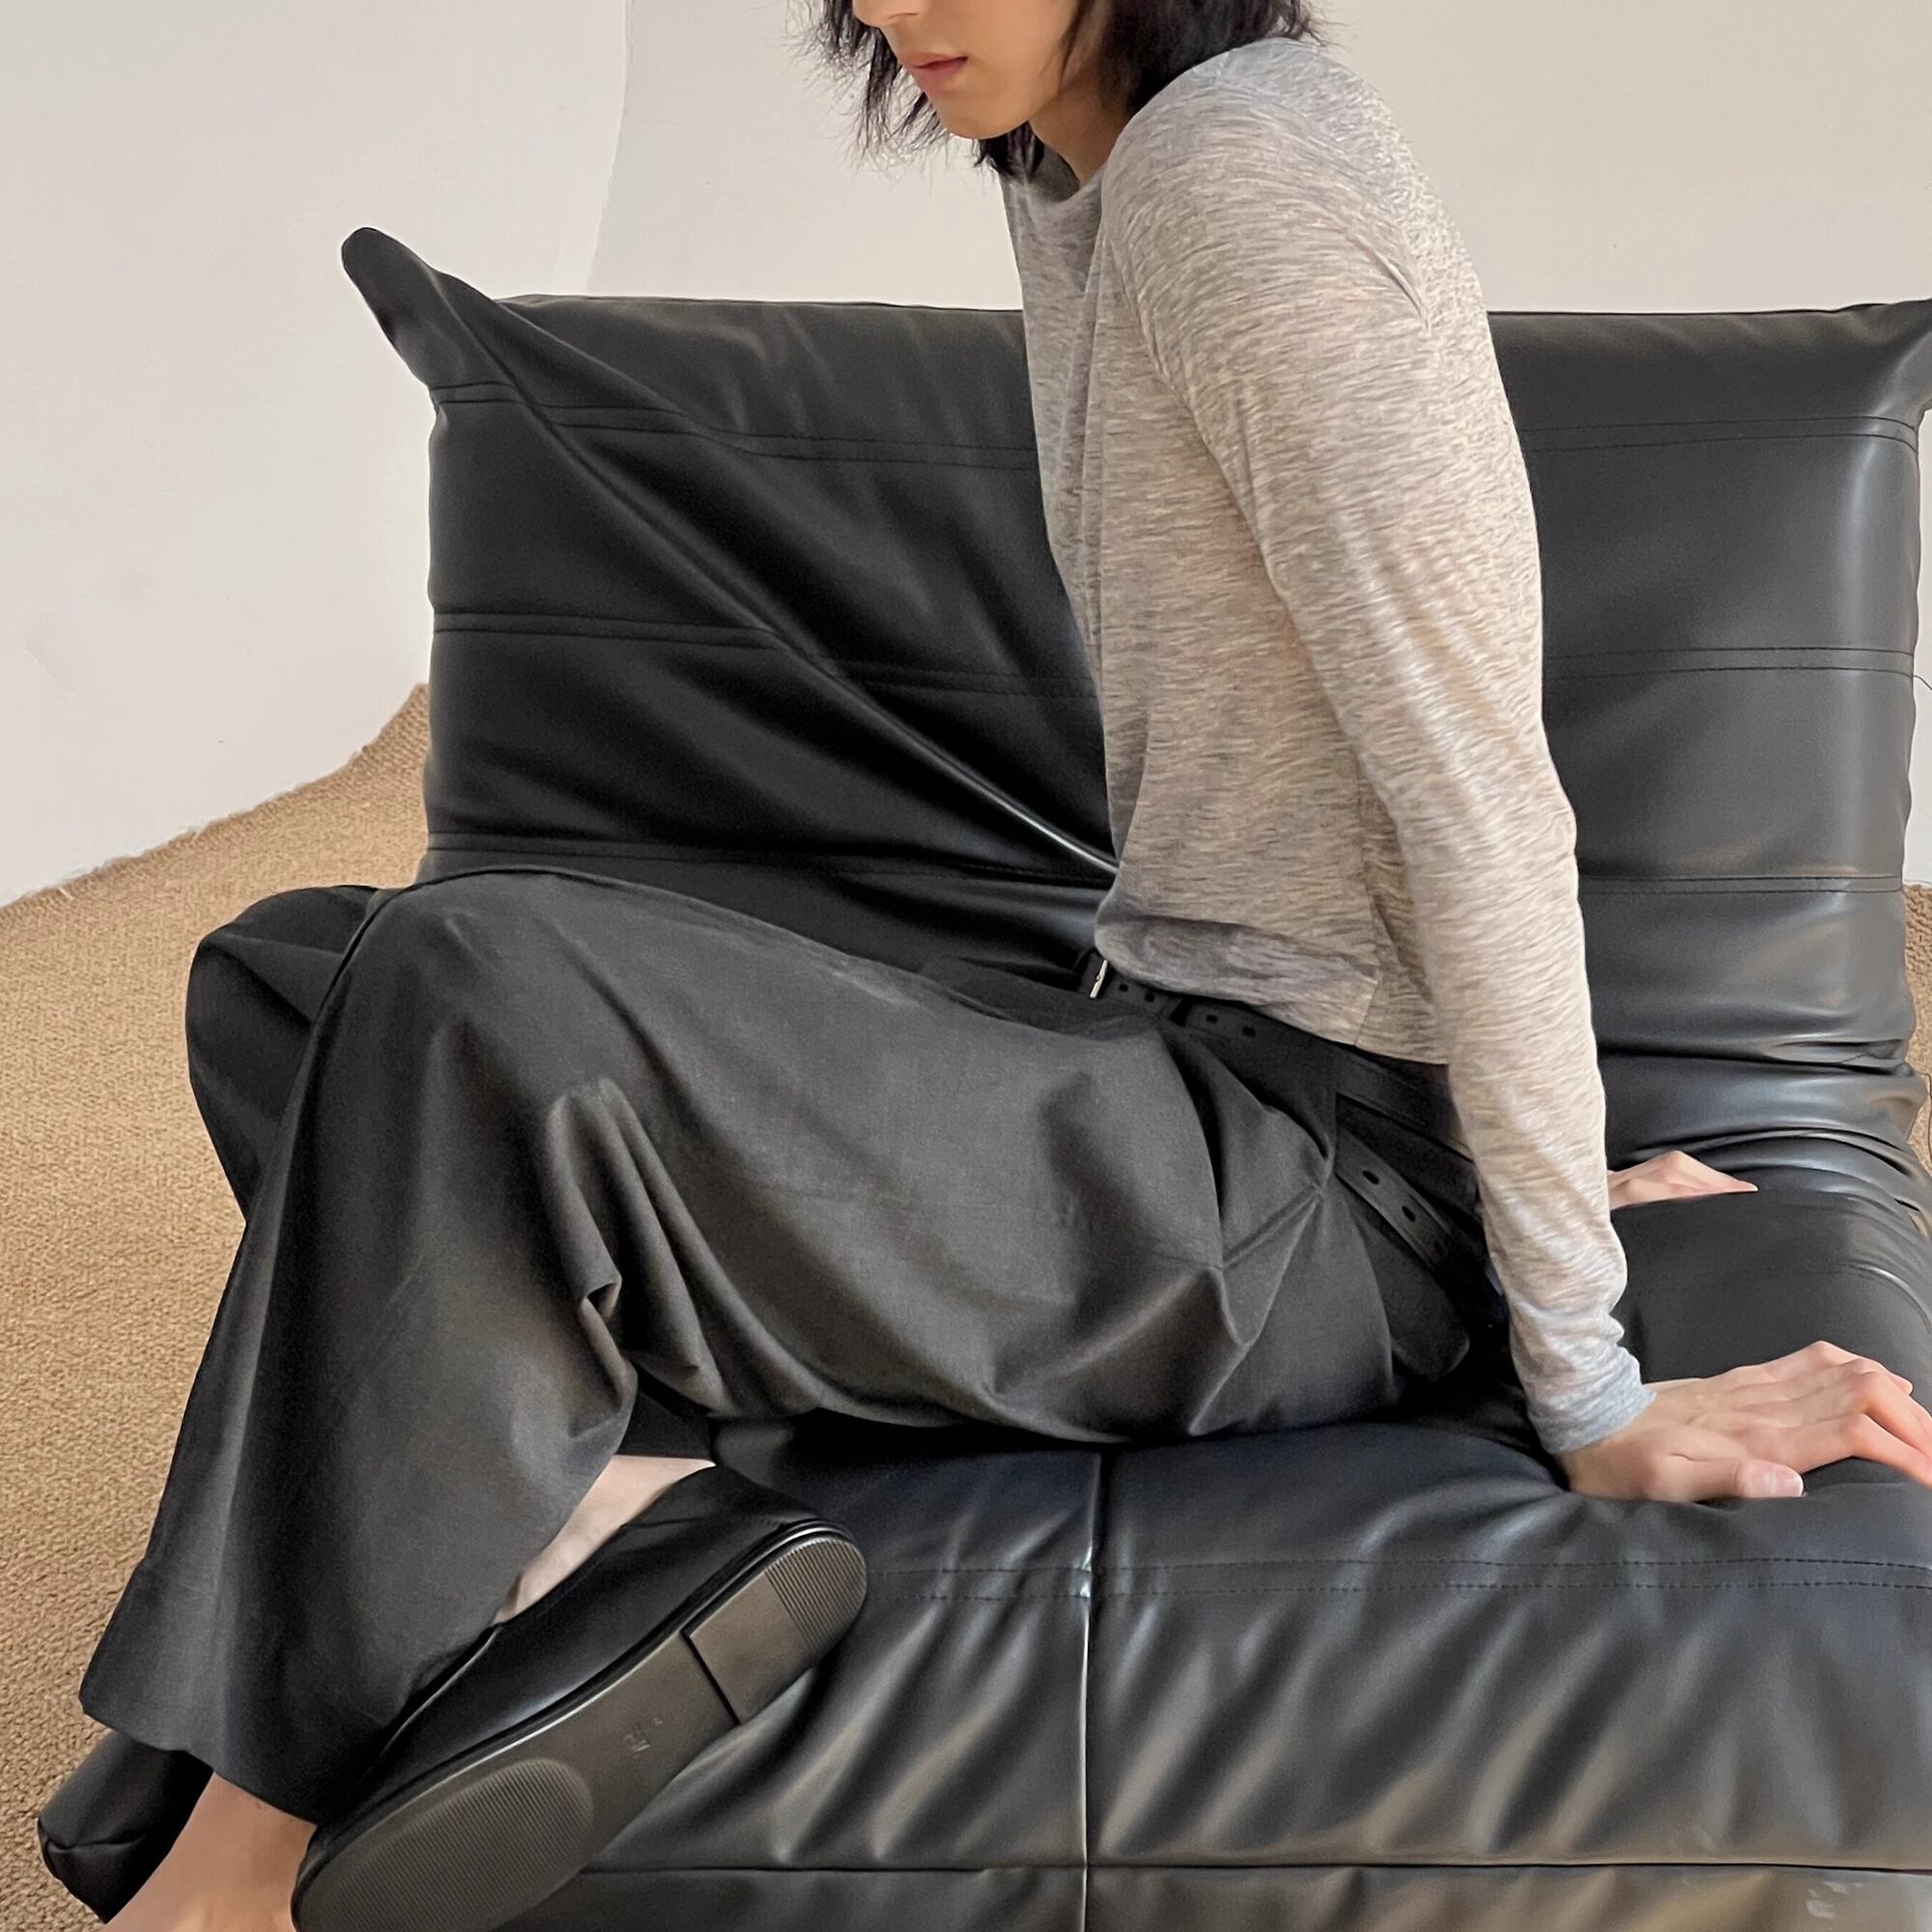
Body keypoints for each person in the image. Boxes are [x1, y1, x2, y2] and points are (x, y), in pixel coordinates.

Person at [74, 5, 1932, 1930]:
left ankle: (240, 1865)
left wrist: (1588, 1370)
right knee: (304, 976)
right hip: (1195, 1078)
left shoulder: (1250, 184)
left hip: (1307, 1184)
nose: (897, 4)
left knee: (470, 993)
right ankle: (618, 1505)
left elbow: (1487, 809)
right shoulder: (1080, 172)